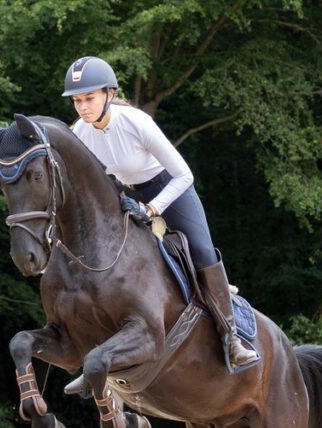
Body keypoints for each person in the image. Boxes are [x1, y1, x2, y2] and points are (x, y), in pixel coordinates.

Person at [62, 56, 257, 375]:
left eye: (89, 98)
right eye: (77, 100)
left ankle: (232, 337)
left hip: (169, 188)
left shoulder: (135, 121)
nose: (83, 107)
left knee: (203, 252)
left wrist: (151, 209)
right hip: (126, 194)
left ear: (109, 94)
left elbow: (184, 175)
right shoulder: (79, 132)